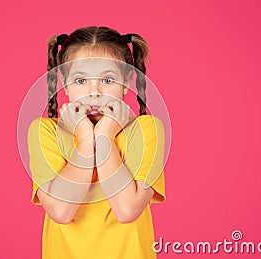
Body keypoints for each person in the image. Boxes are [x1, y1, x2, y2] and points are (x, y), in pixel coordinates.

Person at [27, 26, 166, 259]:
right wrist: (84, 140)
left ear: (125, 83)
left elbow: (127, 210)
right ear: (65, 84)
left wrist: (105, 136)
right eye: (80, 80)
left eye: (108, 79)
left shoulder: (146, 129)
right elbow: (61, 211)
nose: (95, 92)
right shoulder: (44, 132)